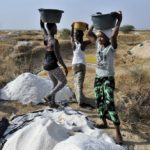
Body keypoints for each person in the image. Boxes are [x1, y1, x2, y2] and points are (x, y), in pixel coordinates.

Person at [87, 11, 123, 144]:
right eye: (99, 37)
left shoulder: (111, 48)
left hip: (108, 78)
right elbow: (88, 34)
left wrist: (119, 22)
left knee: (110, 103)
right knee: (99, 100)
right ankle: (104, 122)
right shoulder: (98, 44)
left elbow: (114, 35)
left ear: (107, 38)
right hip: (98, 77)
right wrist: (95, 23)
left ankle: (118, 132)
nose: (100, 39)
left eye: (102, 37)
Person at [40, 19, 68, 108]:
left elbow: (42, 26)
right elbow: (58, 56)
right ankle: (49, 96)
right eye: (55, 27)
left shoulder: (46, 37)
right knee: (63, 81)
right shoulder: (54, 41)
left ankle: (52, 103)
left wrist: (42, 18)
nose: (56, 29)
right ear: (51, 29)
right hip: (52, 65)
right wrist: (64, 67)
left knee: (55, 83)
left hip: (46, 65)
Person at [71, 23, 90, 107]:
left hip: (74, 65)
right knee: (80, 83)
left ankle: (78, 97)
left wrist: (72, 27)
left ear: (75, 36)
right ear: (82, 36)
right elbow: (92, 39)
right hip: (81, 65)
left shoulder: (73, 44)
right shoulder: (83, 44)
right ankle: (80, 101)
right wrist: (87, 29)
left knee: (76, 82)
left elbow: (71, 36)